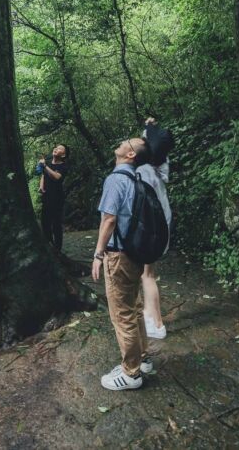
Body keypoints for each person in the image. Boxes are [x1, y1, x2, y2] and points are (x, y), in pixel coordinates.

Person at [92, 136, 154, 390]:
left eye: (127, 142)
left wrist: (97, 254)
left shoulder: (116, 179)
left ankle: (131, 374)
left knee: (123, 314)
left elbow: (109, 220)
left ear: (130, 155)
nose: (120, 142)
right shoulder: (138, 180)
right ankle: (143, 358)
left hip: (118, 255)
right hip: (136, 254)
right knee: (134, 308)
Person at [136, 118, 172, 340]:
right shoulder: (160, 164)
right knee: (149, 273)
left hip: (152, 227)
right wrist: (151, 127)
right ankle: (150, 313)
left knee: (147, 275)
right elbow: (156, 143)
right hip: (162, 223)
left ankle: (157, 325)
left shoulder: (143, 170)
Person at [34, 144, 68, 250]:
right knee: (45, 223)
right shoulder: (48, 163)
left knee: (56, 224)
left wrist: (45, 166)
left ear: (63, 155)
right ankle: (50, 245)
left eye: (59, 149)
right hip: (46, 197)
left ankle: (57, 249)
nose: (56, 149)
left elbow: (57, 177)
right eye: (56, 147)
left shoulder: (63, 166)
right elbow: (43, 175)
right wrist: (41, 186)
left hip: (57, 199)